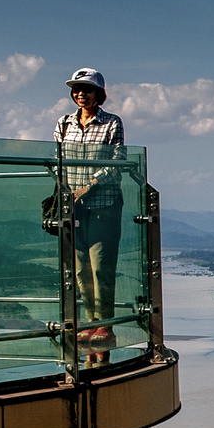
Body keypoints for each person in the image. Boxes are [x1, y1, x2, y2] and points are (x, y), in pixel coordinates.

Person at [55, 68, 125, 344]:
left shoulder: (111, 123)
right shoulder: (63, 123)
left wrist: (87, 186)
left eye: (87, 89)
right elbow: (58, 159)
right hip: (74, 207)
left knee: (101, 266)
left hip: (103, 205)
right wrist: (64, 191)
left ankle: (105, 323)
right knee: (80, 267)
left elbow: (117, 163)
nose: (80, 93)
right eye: (76, 89)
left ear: (99, 94)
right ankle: (90, 321)